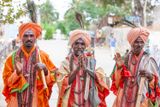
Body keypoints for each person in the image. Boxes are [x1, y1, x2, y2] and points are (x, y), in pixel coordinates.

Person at [2, 22, 57, 107]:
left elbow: (55, 77)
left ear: (35, 38)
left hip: (37, 101)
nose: (29, 38)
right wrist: (17, 73)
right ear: (21, 37)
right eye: (25, 36)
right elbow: (7, 83)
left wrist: (45, 71)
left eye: (31, 36)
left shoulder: (43, 56)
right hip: (16, 101)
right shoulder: (11, 58)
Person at [56, 29, 109, 107]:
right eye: (76, 43)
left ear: (85, 46)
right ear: (72, 45)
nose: (79, 47)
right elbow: (63, 83)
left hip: (89, 102)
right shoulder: (65, 63)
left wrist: (87, 69)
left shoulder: (91, 61)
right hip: (72, 101)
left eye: (82, 44)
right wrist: (77, 68)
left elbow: (100, 78)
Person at [110, 27, 160, 107]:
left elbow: (157, 85)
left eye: (141, 42)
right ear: (131, 42)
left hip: (141, 100)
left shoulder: (149, 60)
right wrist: (119, 67)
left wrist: (150, 77)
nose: (139, 45)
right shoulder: (124, 58)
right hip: (123, 99)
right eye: (136, 42)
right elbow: (117, 83)